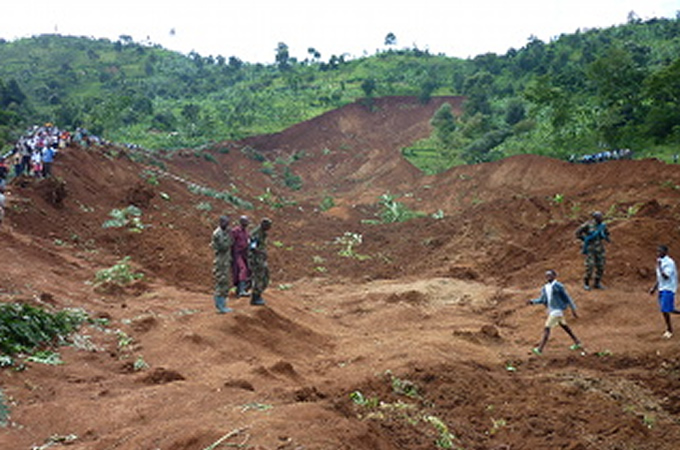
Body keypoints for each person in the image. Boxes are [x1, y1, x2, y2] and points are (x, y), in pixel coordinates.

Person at [527, 269, 582, 355]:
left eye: (550, 275)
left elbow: (567, 298)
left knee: (547, 328)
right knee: (565, 327)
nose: (548, 277)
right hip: (552, 310)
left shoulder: (558, 286)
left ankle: (540, 349)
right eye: (547, 275)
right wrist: (533, 301)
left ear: (554, 276)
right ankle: (577, 342)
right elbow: (543, 299)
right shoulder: (545, 287)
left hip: (557, 311)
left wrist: (573, 309)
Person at [649, 245, 679, 339]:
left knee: (665, 309)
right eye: (657, 251)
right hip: (662, 288)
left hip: (669, 288)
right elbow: (660, 278)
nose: (658, 253)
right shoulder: (660, 261)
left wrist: (660, 267)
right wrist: (654, 287)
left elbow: (666, 276)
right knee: (668, 308)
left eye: (660, 251)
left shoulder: (669, 262)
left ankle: (669, 330)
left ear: (665, 252)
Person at [575, 211, 610, 290]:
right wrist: (585, 239)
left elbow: (607, 233)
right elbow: (577, 233)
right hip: (590, 249)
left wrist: (604, 236)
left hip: (599, 249)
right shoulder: (588, 225)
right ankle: (586, 283)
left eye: (602, 217)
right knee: (590, 267)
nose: (601, 218)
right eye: (599, 217)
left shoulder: (602, 225)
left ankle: (597, 283)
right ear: (595, 218)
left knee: (601, 266)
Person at [211, 215, 233, 313]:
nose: (227, 225)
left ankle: (223, 304)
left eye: (228, 223)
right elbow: (223, 247)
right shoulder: (218, 233)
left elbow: (231, 243)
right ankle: (219, 305)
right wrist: (229, 237)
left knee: (225, 281)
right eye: (225, 223)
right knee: (221, 281)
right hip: (220, 261)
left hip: (225, 260)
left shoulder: (225, 232)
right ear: (220, 222)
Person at [248, 218, 272, 306]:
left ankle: (258, 294)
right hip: (256, 259)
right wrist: (261, 252)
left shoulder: (263, 233)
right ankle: (255, 297)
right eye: (268, 226)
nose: (269, 228)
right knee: (259, 277)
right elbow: (252, 247)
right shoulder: (256, 233)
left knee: (265, 276)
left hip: (261, 258)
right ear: (263, 225)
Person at [231, 215, 251, 297]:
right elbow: (231, 242)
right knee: (242, 269)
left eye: (247, 221)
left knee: (246, 271)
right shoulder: (236, 231)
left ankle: (240, 289)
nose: (246, 223)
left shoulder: (246, 232)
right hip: (237, 253)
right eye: (245, 221)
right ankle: (241, 290)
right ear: (241, 222)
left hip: (244, 253)